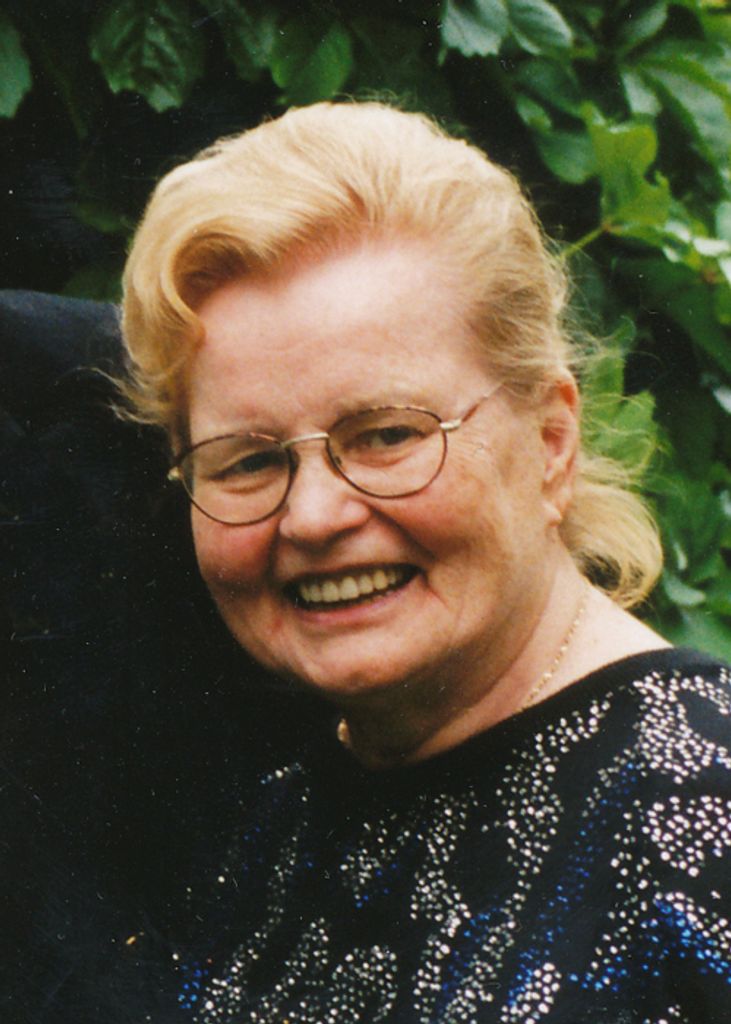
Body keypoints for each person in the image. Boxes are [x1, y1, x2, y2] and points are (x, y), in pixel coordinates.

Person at [119, 102, 731, 1023]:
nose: (313, 517)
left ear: (551, 442)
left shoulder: (704, 803)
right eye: (248, 461)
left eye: (387, 435)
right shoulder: (277, 824)